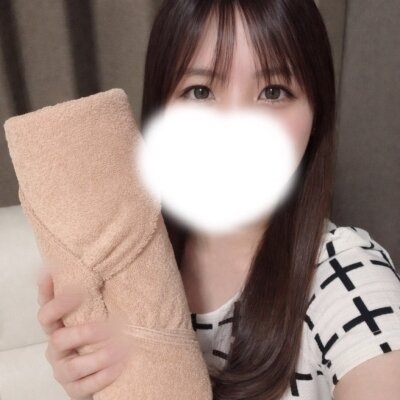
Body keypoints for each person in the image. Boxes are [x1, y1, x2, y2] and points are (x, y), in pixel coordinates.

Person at [36, 0, 400, 399]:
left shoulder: (346, 276)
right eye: (201, 91)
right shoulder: (125, 264)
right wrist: (94, 384)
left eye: (273, 92)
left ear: (316, 116)